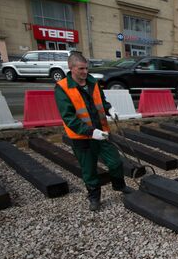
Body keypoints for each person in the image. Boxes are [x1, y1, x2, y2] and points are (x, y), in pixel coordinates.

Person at [55, 52, 130, 211]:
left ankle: (119, 185)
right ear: (71, 68)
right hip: (82, 138)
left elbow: (102, 102)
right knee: (89, 170)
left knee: (115, 162)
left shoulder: (92, 82)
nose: (85, 72)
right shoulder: (63, 88)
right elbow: (69, 118)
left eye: (86, 68)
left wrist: (110, 109)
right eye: (81, 69)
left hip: (102, 133)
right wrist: (90, 132)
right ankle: (94, 197)